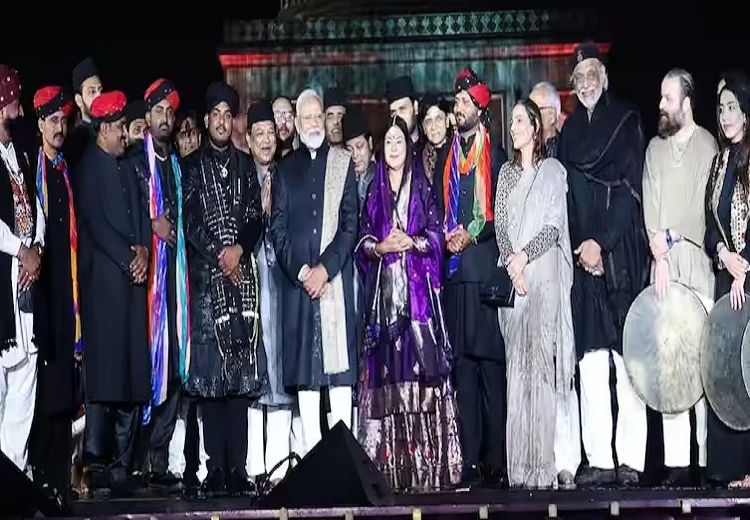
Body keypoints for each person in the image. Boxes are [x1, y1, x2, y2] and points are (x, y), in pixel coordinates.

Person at [557, 41, 649, 487]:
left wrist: (603, 244)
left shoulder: (627, 120)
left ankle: (630, 458)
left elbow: (632, 189)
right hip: (583, 260)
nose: (586, 81)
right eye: (579, 77)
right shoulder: (569, 133)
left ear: (605, 77)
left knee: (627, 359)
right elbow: (565, 199)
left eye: (593, 73)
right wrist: (583, 246)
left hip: (621, 254)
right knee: (591, 362)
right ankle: (599, 459)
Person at [356, 116, 462, 491]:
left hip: (418, 303)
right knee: (388, 377)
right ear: (381, 150)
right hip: (384, 303)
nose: (394, 148)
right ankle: (389, 470)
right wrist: (381, 246)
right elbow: (362, 240)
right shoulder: (375, 190)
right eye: (388, 142)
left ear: (408, 146)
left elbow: (436, 236)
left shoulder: (421, 187)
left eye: (399, 141)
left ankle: (425, 467)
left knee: (420, 378)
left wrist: (412, 243)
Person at [182, 81, 265, 496]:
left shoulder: (246, 165)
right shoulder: (191, 166)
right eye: (214, 114)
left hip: (240, 280)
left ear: (234, 122)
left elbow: (255, 217)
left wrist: (238, 250)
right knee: (211, 382)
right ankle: (214, 468)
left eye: (226, 115)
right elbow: (190, 219)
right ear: (206, 120)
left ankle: (238, 468)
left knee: (239, 380)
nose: (220, 121)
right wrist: (220, 254)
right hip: (207, 282)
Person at [269, 88, 358, 456]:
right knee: (307, 376)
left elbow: (350, 225)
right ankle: (311, 459)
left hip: (334, 284)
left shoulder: (342, 163)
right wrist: (303, 272)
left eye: (317, 116)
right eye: (305, 118)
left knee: (339, 376)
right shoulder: (284, 169)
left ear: (325, 119)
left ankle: (344, 462)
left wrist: (325, 269)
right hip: (300, 287)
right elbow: (277, 230)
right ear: (296, 122)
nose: (312, 124)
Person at [495, 99, 578, 489]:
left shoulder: (554, 172)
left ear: (534, 127)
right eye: (511, 121)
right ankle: (519, 470)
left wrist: (525, 257)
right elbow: (500, 225)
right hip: (514, 282)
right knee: (517, 373)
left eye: (519, 121)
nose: (513, 127)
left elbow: (554, 226)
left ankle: (542, 469)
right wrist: (513, 265)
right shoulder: (506, 174)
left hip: (542, 279)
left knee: (541, 372)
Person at [432, 68, 508, 487]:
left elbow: (502, 216)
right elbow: (440, 211)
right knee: (463, 372)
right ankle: (470, 462)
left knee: (491, 373)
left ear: (480, 108)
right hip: (456, 278)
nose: (457, 109)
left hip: (484, 275)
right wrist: (448, 236)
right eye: (456, 102)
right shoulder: (447, 158)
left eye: (464, 103)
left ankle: (497, 461)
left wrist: (472, 233)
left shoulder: (495, 156)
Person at [642, 68, 717, 486]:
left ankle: (703, 460)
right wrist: (660, 251)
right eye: (660, 97)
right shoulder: (654, 149)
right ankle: (675, 462)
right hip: (664, 272)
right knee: (671, 367)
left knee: (699, 367)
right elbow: (649, 204)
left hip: (697, 269)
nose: (661, 105)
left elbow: (701, 209)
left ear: (686, 103)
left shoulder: (707, 145)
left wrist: (670, 237)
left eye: (668, 99)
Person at [76, 91, 151, 497]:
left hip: (132, 288)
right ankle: (98, 466)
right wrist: (128, 257)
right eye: (120, 127)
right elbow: (96, 224)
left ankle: (123, 466)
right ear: (103, 129)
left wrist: (144, 253)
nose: (126, 134)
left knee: (131, 376)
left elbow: (143, 219)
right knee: (106, 379)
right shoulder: (88, 168)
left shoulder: (129, 166)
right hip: (105, 290)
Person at [127, 78, 189, 491]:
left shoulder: (178, 166)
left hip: (175, 285)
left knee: (173, 370)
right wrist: (151, 225)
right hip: (143, 286)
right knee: (147, 369)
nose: (165, 118)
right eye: (159, 111)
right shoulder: (134, 161)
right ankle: (134, 462)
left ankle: (159, 461)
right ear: (147, 116)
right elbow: (124, 214)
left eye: (170, 112)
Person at [28, 86, 78, 501]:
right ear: (40, 124)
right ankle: (38, 475)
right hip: (39, 291)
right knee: (42, 387)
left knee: (64, 385)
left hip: (67, 291)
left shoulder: (66, 170)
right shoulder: (32, 170)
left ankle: (60, 478)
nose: (59, 127)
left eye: (63, 120)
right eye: (53, 120)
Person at [245, 101, 295, 487]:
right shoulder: (242, 179)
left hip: (281, 281)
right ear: (248, 140)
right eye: (258, 134)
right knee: (253, 366)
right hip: (249, 281)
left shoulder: (287, 176)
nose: (265, 140)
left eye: (269, 134)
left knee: (279, 364)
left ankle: (279, 464)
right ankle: (253, 465)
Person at [704, 76, 750, 488]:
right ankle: (731, 467)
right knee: (728, 370)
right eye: (721, 109)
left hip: (747, 281)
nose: (726, 116)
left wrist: (744, 268)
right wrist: (724, 255)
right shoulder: (720, 162)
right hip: (726, 279)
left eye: (733, 107)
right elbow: (709, 225)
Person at [0, 66, 45, 472]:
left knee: (25, 380)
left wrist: (37, 251)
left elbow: (36, 209)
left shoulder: (21, 154)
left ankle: (16, 472)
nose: (20, 112)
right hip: (4, 280)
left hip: (26, 285)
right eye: (15, 104)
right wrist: (19, 250)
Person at [529, 81, 562, 158]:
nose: (530, 116)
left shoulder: (568, 149)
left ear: (552, 115)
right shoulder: (526, 148)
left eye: (535, 109)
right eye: (529, 110)